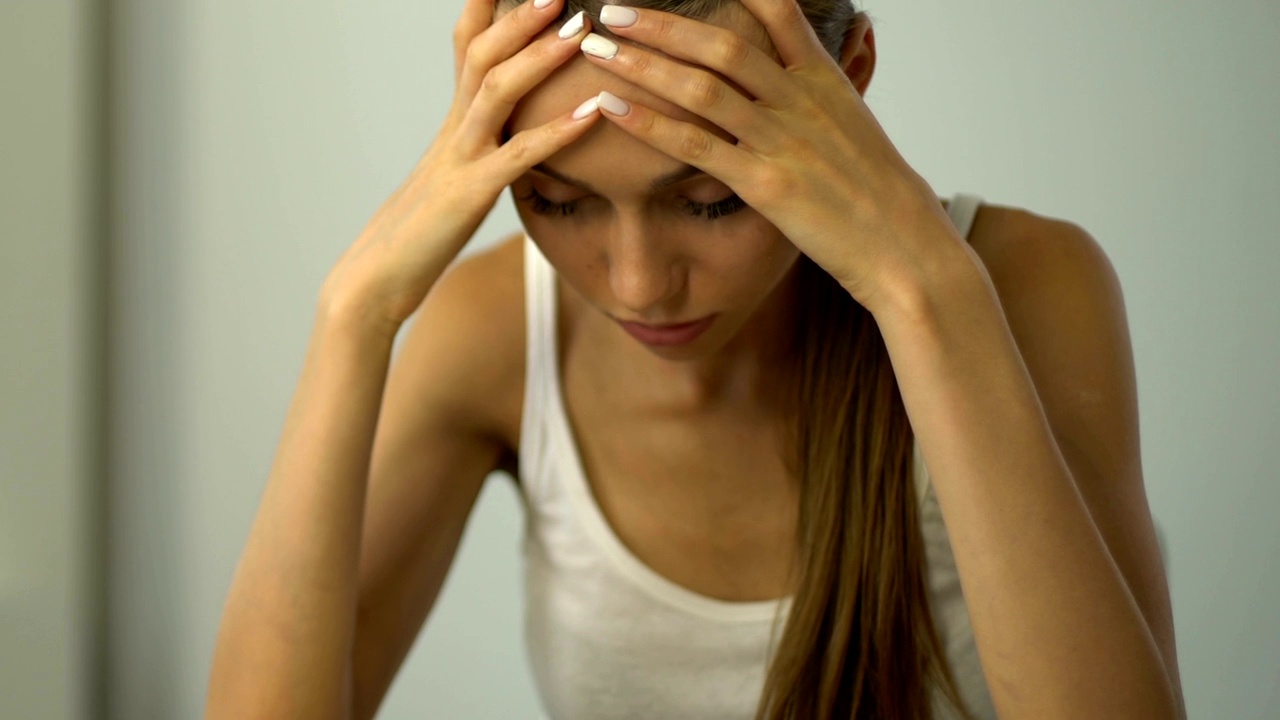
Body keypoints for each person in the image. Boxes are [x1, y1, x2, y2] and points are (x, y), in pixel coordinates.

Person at [205, 0, 1186, 718]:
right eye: (558, 200)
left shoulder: (1017, 291)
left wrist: (916, 289)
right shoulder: (498, 333)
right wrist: (355, 312)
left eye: (709, 200)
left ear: (847, 78)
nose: (635, 285)